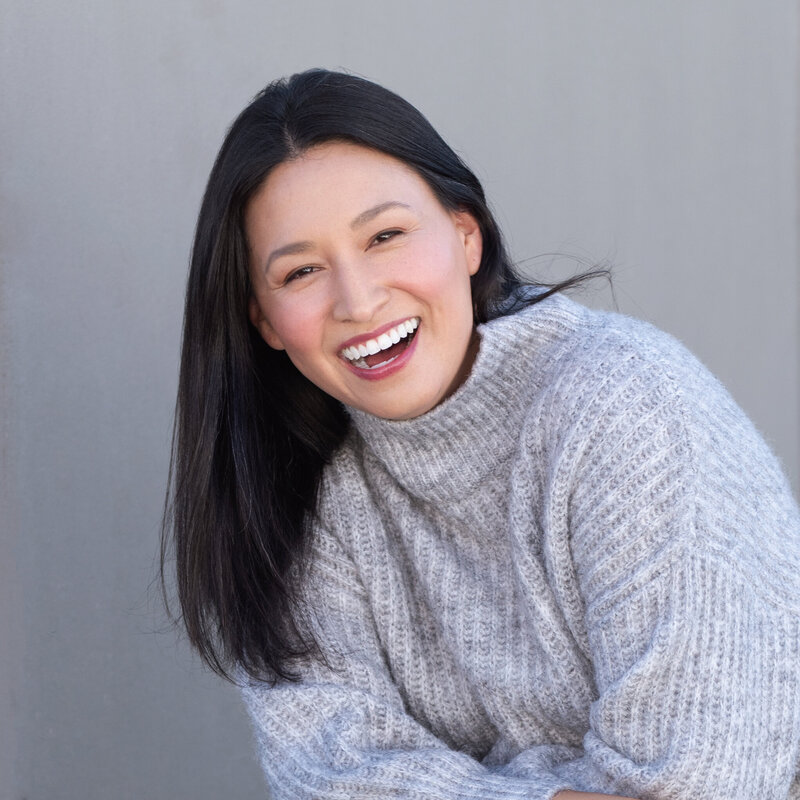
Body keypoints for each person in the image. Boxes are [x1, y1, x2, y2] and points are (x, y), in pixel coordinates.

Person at [162, 69, 800, 799]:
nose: (359, 299)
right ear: (265, 321)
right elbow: (329, 780)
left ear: (467, 235)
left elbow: (698, 783)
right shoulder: (296, 493)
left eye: (386, 235)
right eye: (302, 270)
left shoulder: (624, 407)